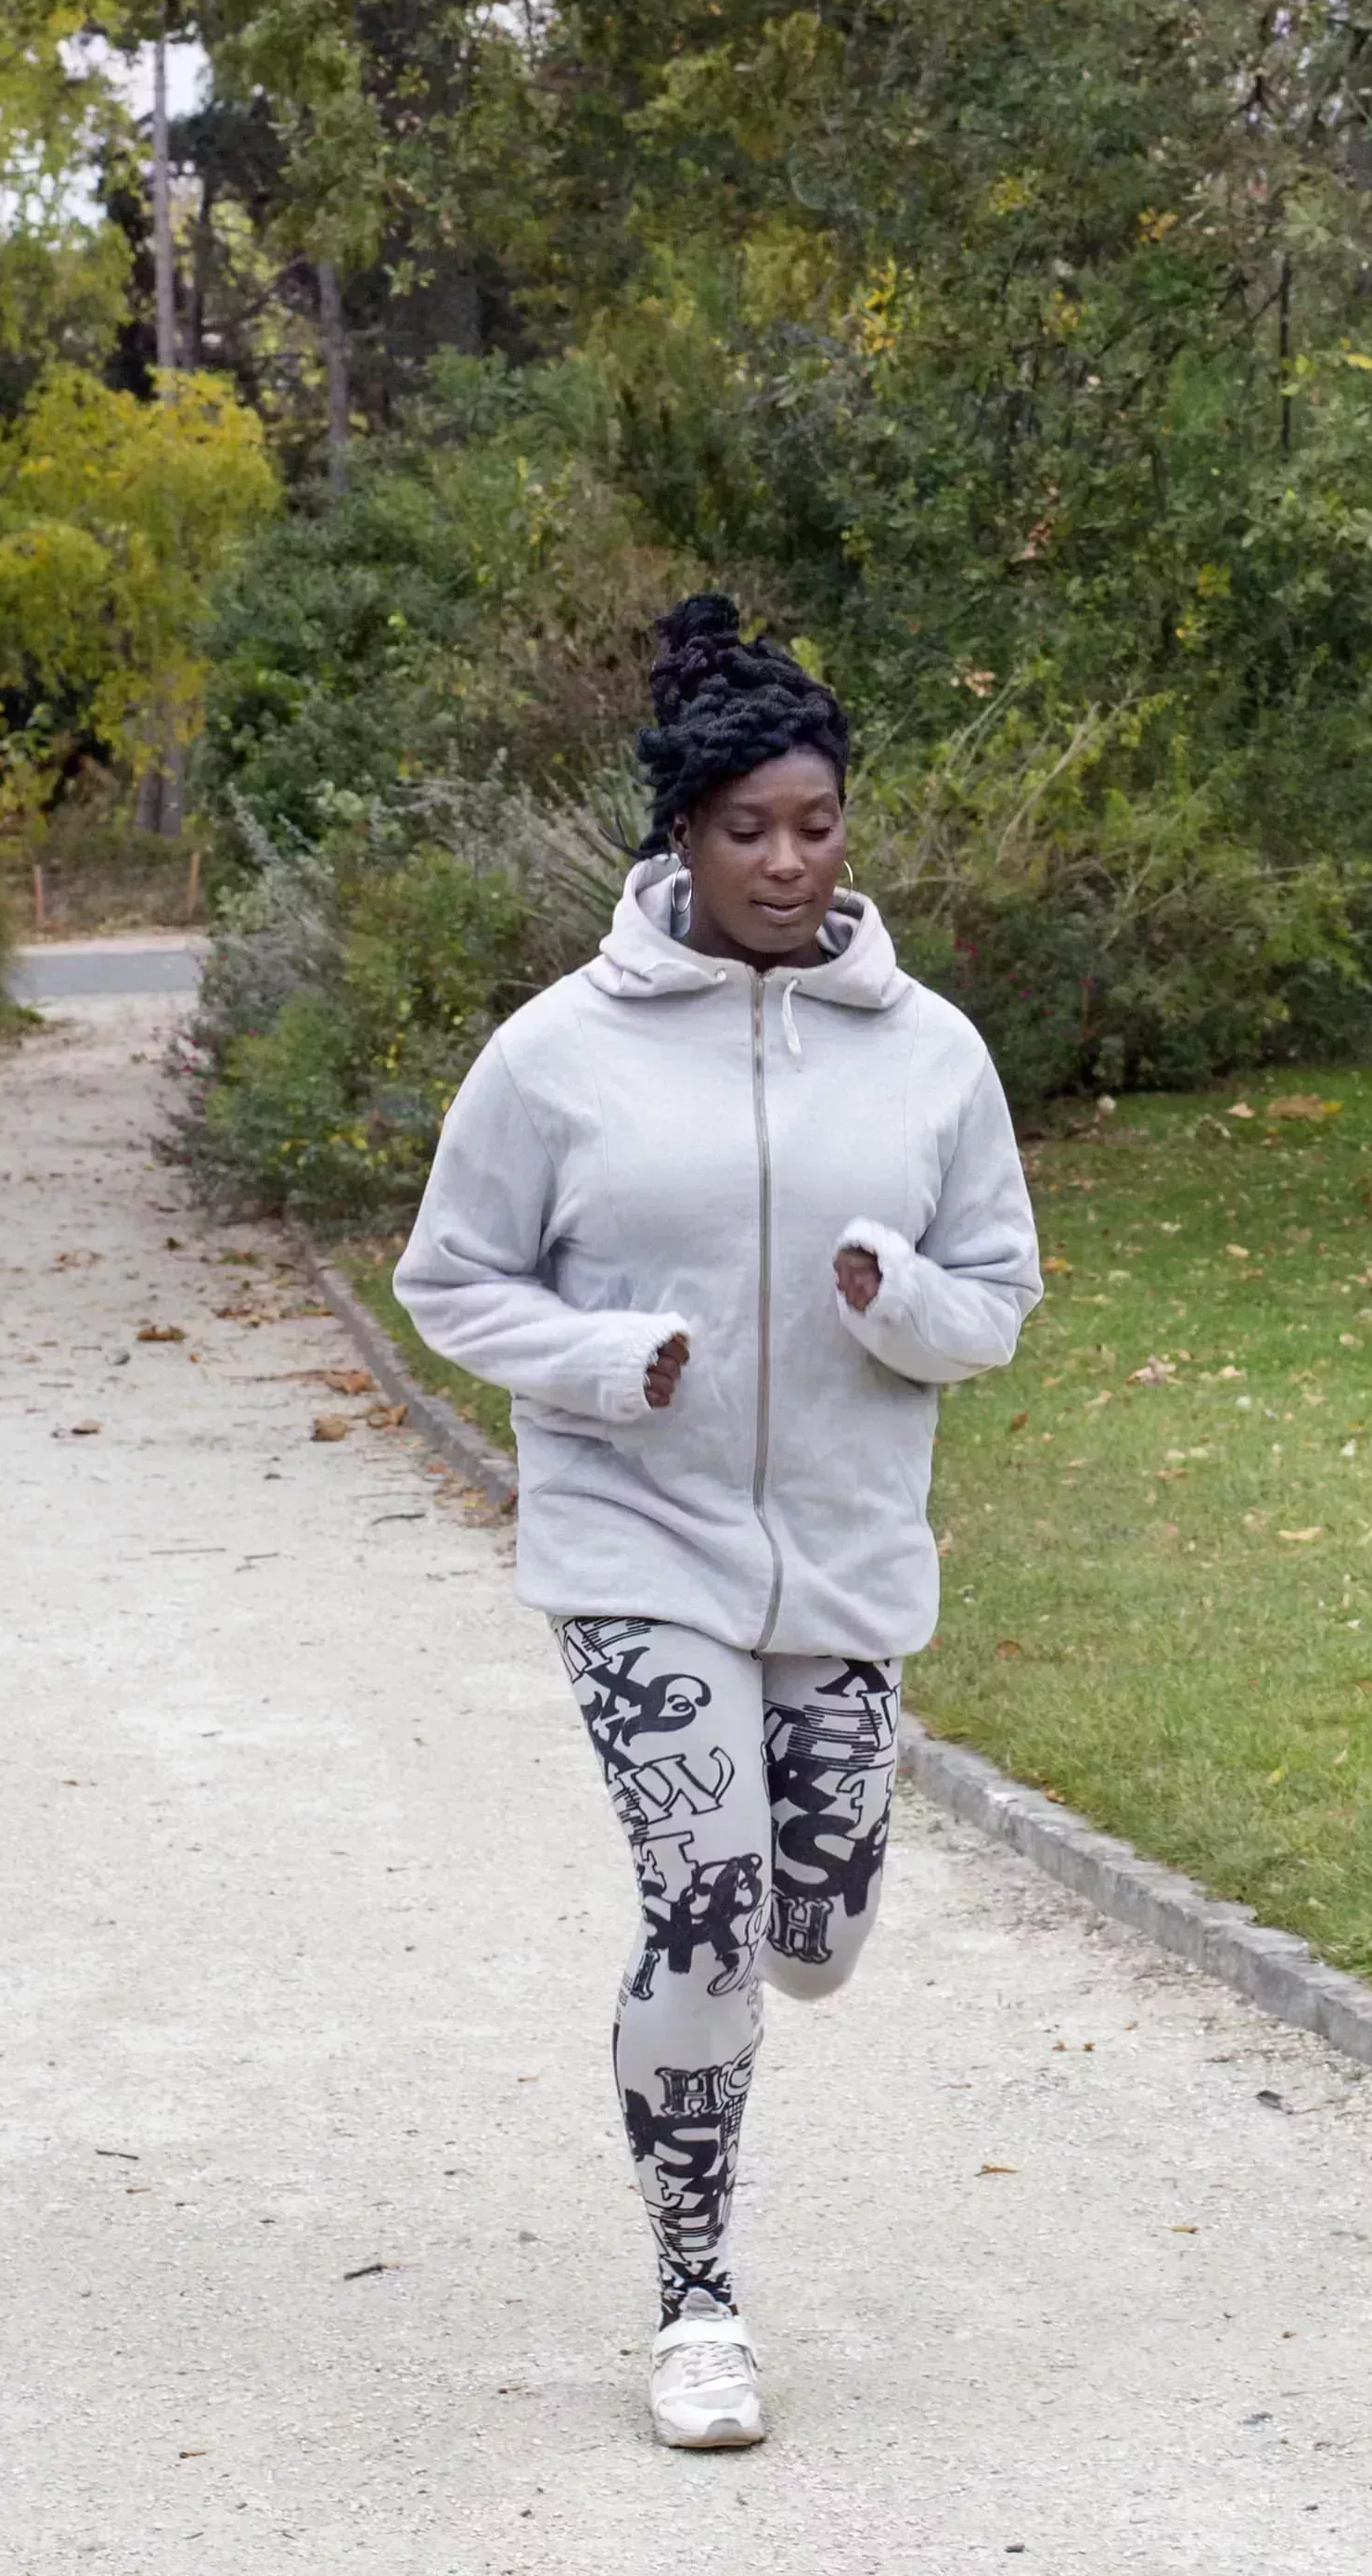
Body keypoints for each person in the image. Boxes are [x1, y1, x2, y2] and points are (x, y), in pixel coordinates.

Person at [393, 596, 1044, 2451]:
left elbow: (995, 1297)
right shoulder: (555, 1054)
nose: (784, 860)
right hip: (633, 1547)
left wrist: (896, 1299)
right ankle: (696, 2305)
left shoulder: (929, 1053)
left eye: (815, 825)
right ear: (680, 836)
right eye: (746, 829)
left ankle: (773, 1962)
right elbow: (450, 1278)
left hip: (843, 1554)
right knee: (706, 1901)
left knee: (815, 1935)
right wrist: (604, 1362)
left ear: (850, 828)